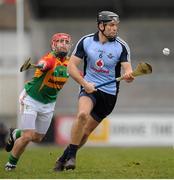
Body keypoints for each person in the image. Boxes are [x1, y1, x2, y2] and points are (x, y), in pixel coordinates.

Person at [54, 11, 134, 172]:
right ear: (101, 26)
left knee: (85, 133)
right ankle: (72, 158)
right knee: (82, 115)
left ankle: (64, 157)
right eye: (111, 25)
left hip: (109, 95)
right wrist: (85, 83)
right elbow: (71, 66)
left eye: (116, 25)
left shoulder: (121, 46)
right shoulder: (86, 41)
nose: (114, 28)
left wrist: (129, 76)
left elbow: (128, 69)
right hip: (89, 87)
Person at [4, 32, 72, 171]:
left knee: (38, 138)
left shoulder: (69, 63)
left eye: (66, 42)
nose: (64, 44)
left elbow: (78, 74)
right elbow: (44, 63)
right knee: (28, 136)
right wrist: (41, 65)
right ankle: (11, 164)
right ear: (53, 45)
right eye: (60, 41)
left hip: (49, 103)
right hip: (31, 99)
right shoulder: (49, 59)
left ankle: (15, 133)